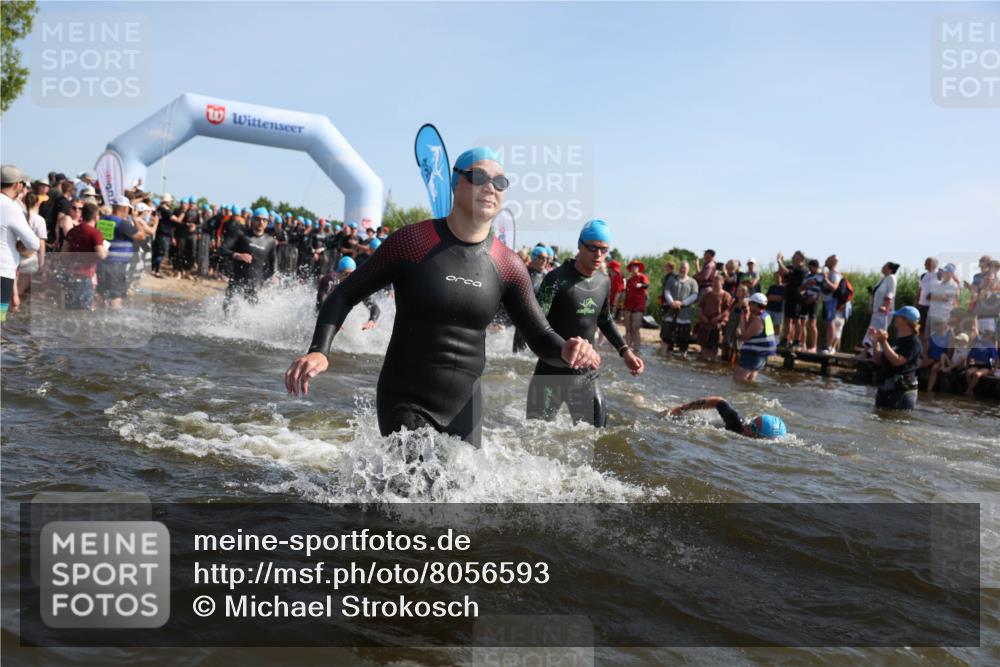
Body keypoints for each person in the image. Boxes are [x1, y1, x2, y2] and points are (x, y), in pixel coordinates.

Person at [285, 146, 600, 447]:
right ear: (454, 183)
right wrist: (319, 350)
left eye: (500, 182)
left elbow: (540, 337)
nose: (490, 187)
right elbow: (344, 293)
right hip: (406, 399)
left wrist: (566, 349)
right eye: (478, 177)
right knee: (419, 481)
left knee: (460, 486)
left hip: (465, 411)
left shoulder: (508, 264)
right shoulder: (412, 242)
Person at [526, 219, 643, 427]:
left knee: (598, 436)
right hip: (550, 372)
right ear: (580, 245)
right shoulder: (556, 279)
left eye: (604, 249)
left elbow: (605, 320)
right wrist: (561, 346)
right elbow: (536, 321)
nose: (598, 254)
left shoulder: (603, 282)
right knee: (534, 437)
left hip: (585, 373)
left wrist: (625, 351)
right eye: (593, 248)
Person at [0, 165, 41, 322]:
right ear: (17, 185)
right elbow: (34, 244)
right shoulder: (12, 207)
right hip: (3, 271)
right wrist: (20, 244)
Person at [220, 210, 277, 314]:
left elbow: (273, 268)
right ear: (252, 220)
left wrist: (261, 279)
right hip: (236, 283)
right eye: (258, 219)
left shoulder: (270, 241)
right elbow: (222, 249)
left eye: (264, 220)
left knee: (251, 317)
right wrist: (237, 255)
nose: (261, 222)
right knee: (228, 315)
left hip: (254, 287)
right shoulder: (241, 234)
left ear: (267, 223)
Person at [868, 305, 922, 410]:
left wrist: (883, 342)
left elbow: (897, 361)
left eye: (897, 316)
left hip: (902, 392)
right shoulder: (897, 340)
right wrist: (875, 342)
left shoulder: (914, 342)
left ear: (906, 320)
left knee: (896, 419)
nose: (895, 318)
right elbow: (879, 360)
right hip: (886, 388)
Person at [96, 196, 146, 309]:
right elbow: (142, 236)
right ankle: (115, 317)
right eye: (128, 209)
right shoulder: (123, 223)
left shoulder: (102, 220)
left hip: (102, 262)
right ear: (124, 208)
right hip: (116, 265)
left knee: (101, 293)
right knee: (116, 295)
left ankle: (98, 316)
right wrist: (135, 219)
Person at [660, 396, 787, 439]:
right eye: (752, 421)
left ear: (761, 437)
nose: (747, 425)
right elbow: (719, 401)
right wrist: (681, 409)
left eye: (753, 427)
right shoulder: (736, 423)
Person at [62, 203, 109, 309]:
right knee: (84, 309)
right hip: (85, 276)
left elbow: (63, 253)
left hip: (70, 275)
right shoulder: (95, 233)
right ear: (96, 216)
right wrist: (106, 251)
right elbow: (101, 255)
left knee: (70, 308)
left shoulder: (72, 231)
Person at [316, 256, 379, 330]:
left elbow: (375, 307)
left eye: (351, 274)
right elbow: (321, 303)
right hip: (324, 315)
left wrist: (372, 320)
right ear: (338, 273)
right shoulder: (329, 280)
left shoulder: (356, 284)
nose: (348, 277)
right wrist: (331, 319)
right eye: (345, 274)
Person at [512, 245, 550, 353]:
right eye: (542, 258)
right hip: (524, 319)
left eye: (547, 258)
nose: (545, 261)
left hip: (541, 320)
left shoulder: (546, 276)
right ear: (534, 258)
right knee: (518, 354)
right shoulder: (524, 273)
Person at [734, 292, 777, 382]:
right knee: (750, 381)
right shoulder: (766, 316)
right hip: (761, 354)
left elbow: (744, 337)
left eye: (750, 303)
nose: (749, 306)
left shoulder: (758, 320)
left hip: (753, 354)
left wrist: (742, 317)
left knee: (738, 380)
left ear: (755, 305)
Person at [660, 260, 699, 358]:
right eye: (681, 267)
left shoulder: (693, 282)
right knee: (666, 338)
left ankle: (682, 359)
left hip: (684, 315)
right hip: (670, 313)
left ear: (688, 269)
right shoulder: (671, 279)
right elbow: (667, 291)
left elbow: (694, 295)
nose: (682, 269)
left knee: (683, 341)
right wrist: (672, 302)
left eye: (684, 268)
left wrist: (682, 303)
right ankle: (663, 358)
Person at [15, 192, 49, 304]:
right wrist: (42, 264)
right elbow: (41, 244)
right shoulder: (39, 220)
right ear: (38, 203)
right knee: (21, 291)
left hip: (15, 255)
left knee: (15, 289)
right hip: (30, 258)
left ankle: (9, 310)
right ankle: (11, 311)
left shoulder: (17, 216)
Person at [861, 262, 900, 352]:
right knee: (872, 331)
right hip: (877, 311)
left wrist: (885, 306)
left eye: (884, 266)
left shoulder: (892, 278)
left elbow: (890, 293)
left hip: (884, 312)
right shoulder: (883, 278)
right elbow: (876, 293)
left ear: (889, 269)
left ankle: (872, 353)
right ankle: (868, 353)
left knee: (878, 332)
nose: (882, 267)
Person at [696, 274, 732, 361]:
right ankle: (703, 362)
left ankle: (712, 362)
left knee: (714, 347)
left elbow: (727, 310)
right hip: (705, 323)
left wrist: (718, 318)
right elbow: (700, 307)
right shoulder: (707, 295)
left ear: (722, 283)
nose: (715, 285)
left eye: (717, 283)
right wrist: (702, 316)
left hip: (717, 325)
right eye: (714, 283)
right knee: (703, 346)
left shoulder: (726, 295)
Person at [776, 251, 808, 349]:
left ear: (800, 258)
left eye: (795, 256)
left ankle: (797, 341)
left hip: (797, 298)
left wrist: (779, 261)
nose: (793, 258)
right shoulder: (792, 268)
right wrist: (780, 262)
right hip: (789, 296)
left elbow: (786, 271)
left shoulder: (802, 270)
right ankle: (786, 339)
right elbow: (782, 273)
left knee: (796, 320)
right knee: (787, 319)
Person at [623, 260, 649, 354]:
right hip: (628, 306)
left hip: (638, 306)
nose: (634, 268)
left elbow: (646, 285)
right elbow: (626, 292)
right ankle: (627, 348)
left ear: (639, 268)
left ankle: (636, 349)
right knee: (627, 327)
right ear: (630, 268)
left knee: (635, 328)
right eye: (632, 266)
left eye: (636, 266)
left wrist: (641, 285)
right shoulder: (629, 279)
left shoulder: (642, 277)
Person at [926, 263, 960, 332]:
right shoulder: (937, 284)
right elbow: (928, 297)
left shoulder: (953, 286)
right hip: (931, 315)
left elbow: (945, 299)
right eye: (943, 271)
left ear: (951, 274)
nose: (943, 273)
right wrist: (938, 297)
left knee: (939, 337)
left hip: (943, 317)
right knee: (927, 337)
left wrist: (934, 297)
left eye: (946, 272)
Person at [799, 258, 824, 352]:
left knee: (812, 324)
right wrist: (806, 284)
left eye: (811, 267)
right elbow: (802, 288)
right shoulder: (807, 276)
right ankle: (803, 344)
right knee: (802, 323)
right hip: (805, 300)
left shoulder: (821, 276)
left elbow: (822, 290)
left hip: (814, 301)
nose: (810, 269)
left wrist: (814, 298)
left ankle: (814, 346)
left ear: (816, 267)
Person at [964, 328, 998, 397]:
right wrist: (967, 366)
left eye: (987, 336)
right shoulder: (977, 344)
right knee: (968, 372)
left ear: (989, 338)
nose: (985, 337)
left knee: (977, 375)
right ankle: (971, 391)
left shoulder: (990, 346)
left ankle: (968, 391)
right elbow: (969, 356)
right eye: (984, 336)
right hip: (976, 364)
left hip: (985, 366)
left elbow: (997, 359)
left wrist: (994, 369)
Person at [916, 257, 940, 333]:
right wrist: (916, 304)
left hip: (932, 307)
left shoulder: (939, 275)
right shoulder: (923, 276)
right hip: (921, 306)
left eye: (927, 262)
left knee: (930, 330)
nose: (924, 264)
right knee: (920, 329)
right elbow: (919, 290)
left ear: (933, 264)